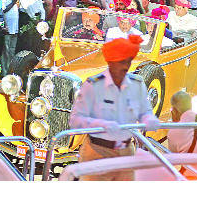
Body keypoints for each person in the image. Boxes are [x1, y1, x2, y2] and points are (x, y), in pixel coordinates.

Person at [69, 34, 160, 181]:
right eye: (121, 62)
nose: (125, 66)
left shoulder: (137, 85)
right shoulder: (94, 85)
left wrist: (149, 119)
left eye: (128, 61)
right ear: (110, 62)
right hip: (96, 152)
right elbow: (75, 121)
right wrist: (100, 125)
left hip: (126, 153)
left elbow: (145, 111)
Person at [0, 0, 19, 74]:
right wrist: (13, 2)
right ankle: (4, 73)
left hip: (14, 27)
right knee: (5, 52)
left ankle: (11, 72)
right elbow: (3, 10)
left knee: (12, 52)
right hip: (7, 27)